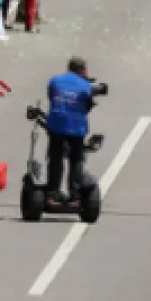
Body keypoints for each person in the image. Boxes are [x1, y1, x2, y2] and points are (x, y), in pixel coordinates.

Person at [44, 57, 99, 201]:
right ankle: (75, 195)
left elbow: (51, 97)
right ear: (82, 70)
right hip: (76, 127)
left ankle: (52, 192)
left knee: (55, 157)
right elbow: (88, 105)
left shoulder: (55, 80)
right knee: (76, 159)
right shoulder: (85, 85)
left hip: (56, 124)